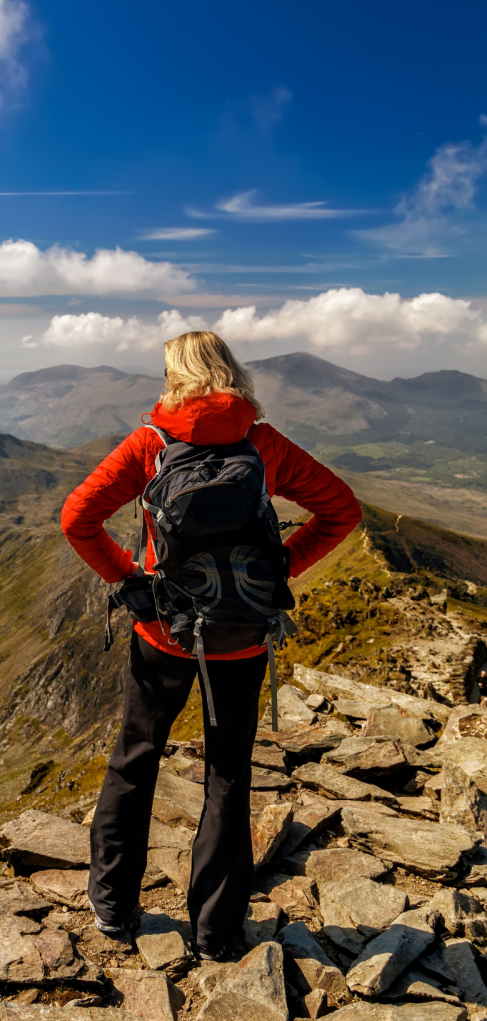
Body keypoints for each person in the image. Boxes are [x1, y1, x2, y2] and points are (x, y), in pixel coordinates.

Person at [61, 330, 362, 960]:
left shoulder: (151, 444)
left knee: (135, 758)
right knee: (228, 776)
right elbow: (342, 511)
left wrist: (127, 579)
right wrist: (275, 575)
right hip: (242, 641)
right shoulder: (264, 444)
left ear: (174, 377)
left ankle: (115, 906)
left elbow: (77, 518)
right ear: (230, 372)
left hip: (162, 634)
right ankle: (216, 931)